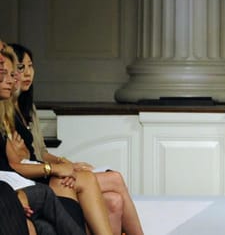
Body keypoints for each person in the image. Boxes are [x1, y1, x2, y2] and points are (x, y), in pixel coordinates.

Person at [8, 44, 143, 235]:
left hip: (42, 172)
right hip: (33, 179)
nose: (27, 73)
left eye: (31, 66)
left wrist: (65, 164)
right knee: (114, 178)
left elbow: (40, 152)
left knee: (114, 200)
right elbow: (20, 161)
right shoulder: (8, 113)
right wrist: (58, 168)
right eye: (21, 68)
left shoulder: (27, 107)